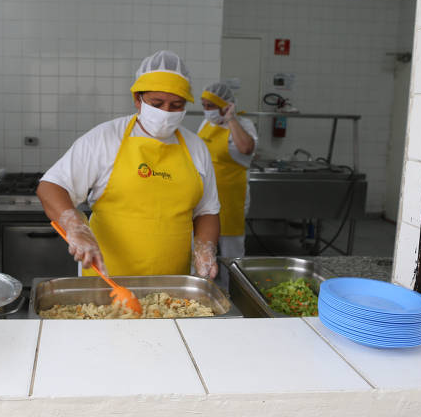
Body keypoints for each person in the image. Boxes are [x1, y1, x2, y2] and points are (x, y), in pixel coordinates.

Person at [37, 50, 221, 279]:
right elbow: (51, 186)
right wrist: (75, 226)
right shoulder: (105, 138)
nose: (166, 113)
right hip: (108, 284)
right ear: (137, 99)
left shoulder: (196, 147)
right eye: (157, 103)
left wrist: (205, 251)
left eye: (176, 105)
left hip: (172, 285)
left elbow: (207, 211)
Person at [197, 82, 258, 265]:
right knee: (204, 247)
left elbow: (246, 148)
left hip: (231, 198)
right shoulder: (206, 123)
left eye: (212, 106)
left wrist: (231, 119)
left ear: (226, 106)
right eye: (204, 106)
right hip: (206, 195)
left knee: (231, 252)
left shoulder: (243, 125)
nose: (207, 111)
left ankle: (233, 288)